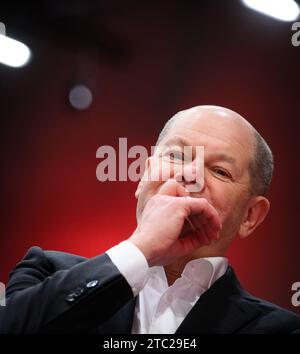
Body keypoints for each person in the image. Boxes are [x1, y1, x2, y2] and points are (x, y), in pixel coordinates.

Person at [0, 105, 299, 334]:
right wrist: (140, 250)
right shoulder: (46, 271)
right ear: (143, 178)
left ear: (250, 216)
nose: (190, 175)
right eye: (176, 156)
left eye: (220, 171)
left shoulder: (281, 329)